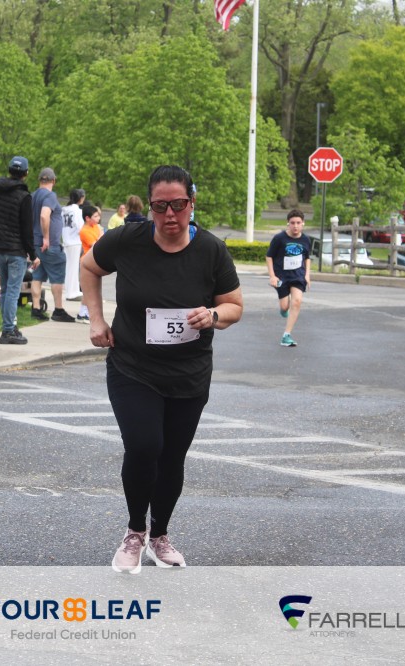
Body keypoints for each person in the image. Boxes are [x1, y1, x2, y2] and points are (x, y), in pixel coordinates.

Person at [81, 165, 243, 573]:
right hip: (133, 367)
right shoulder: (127, 240)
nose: (170, 214)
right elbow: (88, 266)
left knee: (172, 457)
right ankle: (135, 531)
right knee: (144, 446)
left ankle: (160, 536)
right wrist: (96, 320)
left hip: (189, 374)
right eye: (160, 206)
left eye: (178, 205)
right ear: (149, 206)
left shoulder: (211, 250)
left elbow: (234, 306)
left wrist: (213, 315)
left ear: (192, 203)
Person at [0, 155, 39, 345]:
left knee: (5, 290)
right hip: (16, 251)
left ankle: (9, 326)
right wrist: (33, 254)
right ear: (26, 173)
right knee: (12, 291)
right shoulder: (24, 197)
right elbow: (27, 230)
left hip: (0, 249)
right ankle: (8, 330)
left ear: (9, 171)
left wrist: (1, 233)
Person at [30, 167, 76, 322]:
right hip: (49, 245)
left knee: (37, 276)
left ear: (39, 180)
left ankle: (36, 308)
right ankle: (58, 310)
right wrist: (46, 238)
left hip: (36, 244)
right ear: (54, 181)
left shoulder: (33, 196)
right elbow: (44, 215)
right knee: (57, 277)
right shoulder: (50, 196)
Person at [266, 209, 312, 347]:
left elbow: (307, 258)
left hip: (298, 276)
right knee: (285, 306)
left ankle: (286, 335)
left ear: (303, 223)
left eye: (298, 223)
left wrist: (307, 275)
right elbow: (269, 257)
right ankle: (284, 309)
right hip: (282, 276)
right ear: (288, 223)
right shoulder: (279, 238)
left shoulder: (306, 240)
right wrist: (272, 276)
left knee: (297, 301)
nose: (295, 226)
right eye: (292, 223)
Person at [76, 204, 103, 323]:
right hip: (87, 263)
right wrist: (101, 236)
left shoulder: (95, 227)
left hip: (95, 261)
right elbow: (96, 245)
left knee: (90, 290)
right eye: (95, 216)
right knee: (89, 291)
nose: (98, 219)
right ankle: (84, 313)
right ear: (87, 218)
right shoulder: (84, 231)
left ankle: (82, 313)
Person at [61, 189, 86, 301]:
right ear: (81, 198)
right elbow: (80, 227)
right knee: (74, 267)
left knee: (69, 267)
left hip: (66, 240)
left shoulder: (64, 210)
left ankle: (70, 290)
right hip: (75, 241)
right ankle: (72, 292)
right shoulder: (77, 211)